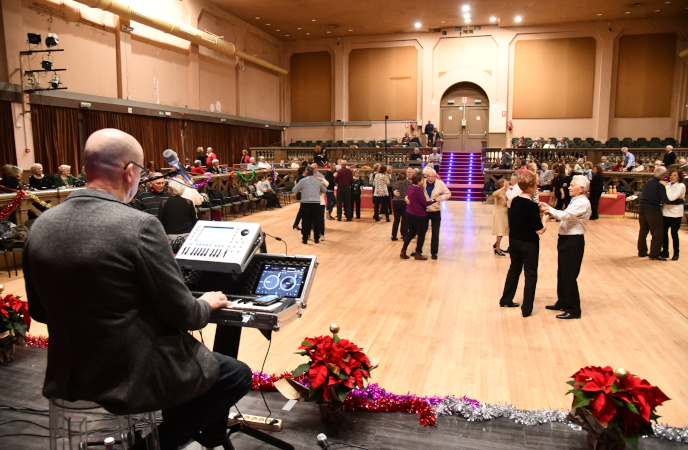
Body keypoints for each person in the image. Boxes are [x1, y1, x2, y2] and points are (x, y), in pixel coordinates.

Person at [23, 128, 252, 449]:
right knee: (236, 373)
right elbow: (185, 314)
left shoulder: (41, 225)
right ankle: (151, 445)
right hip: (130, 376)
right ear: (130, 171)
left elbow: (39, 311)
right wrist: (207, 302)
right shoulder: (139, 226)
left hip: (70, 373)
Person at [538, 175, 591, 319]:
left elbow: (566, 215)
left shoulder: (582, 202)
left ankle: (573, 309)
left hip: (573, 241)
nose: (569, 187)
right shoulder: (576, 200)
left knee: (569, 275)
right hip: (566, 239)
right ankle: (562, 301)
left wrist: (549, 208)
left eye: (572, 185)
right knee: (562, 273)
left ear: (581, 189)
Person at [498, 172, 550, 317]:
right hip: (529, 244)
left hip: (514, 241)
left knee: (514, 270)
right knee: (531, 274)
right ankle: (526, 308)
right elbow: (539, 230)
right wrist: (545, 219)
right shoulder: (532, 206)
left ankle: (506, 299)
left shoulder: (514, 201)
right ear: (532, 187)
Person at [400, 172, 445, 260]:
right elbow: (425, 203)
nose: (424, 181)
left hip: (409, 213)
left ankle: (403, 250)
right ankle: (418, 253)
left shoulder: (410, 187)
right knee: (421, 235)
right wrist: (435, 200)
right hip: (418, 215)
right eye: (423, 179)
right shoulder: (419, 190)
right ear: (419, 181)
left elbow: (409, 197)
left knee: (411, 233)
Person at [638, 166, 672, 260]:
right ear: (662, 175)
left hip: (642, 208)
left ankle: (642, 251)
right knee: (657, 231)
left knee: (643, 230)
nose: (666, 175)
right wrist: (680, 201)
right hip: (652, 209)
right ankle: (654, 253)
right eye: (665, 173)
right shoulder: (660, 184)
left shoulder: (649, 181)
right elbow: (666, 200)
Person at [293, 165, 327, 244]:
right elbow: (324, 190)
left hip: (305, 203)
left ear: (306, 172)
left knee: (305, 221)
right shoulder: (317, 181)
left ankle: (305, 239)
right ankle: (316, 239)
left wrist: (296, 185)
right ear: (313, 172)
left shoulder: (302, 181)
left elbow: (294, 190)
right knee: (316, 221)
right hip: (316, 203)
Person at [422, 167, 451, 260]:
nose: (430, 178)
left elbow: (448, 193)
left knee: (435, 233)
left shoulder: (440, 184)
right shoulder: (422, 183)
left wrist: (441, 198)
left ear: (435, 177)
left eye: (432, 176)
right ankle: (418, 250)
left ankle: (434, 252)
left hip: (435, 211)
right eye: (428, 176)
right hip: (424, 211)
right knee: (421, 232)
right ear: (426, 176)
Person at [660, 169, 686, 261]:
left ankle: (676, 253)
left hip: (675, 214)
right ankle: (665, 252)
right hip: (666, 212)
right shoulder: (669, 185)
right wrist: (680, 200)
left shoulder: (681, 185)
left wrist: (666, 186)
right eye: (671, 175)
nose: (672, 177)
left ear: (679, 177)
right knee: (664, 233)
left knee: (674, 234)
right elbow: (664, 198)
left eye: (675, 175)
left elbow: (671, 198)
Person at [391, 171, 411, 241]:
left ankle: (393, 235)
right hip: (404, 202)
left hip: (396, 202)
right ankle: (404, 236)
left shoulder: (395, 183)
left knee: (396, 220)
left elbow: (393, 190)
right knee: (404, 220)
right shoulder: (409, 183)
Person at [492, 178, 509, 256]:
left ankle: (496, 244)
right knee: (499, 231)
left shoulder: (507, 192)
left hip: (505, 213)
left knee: (503, 230)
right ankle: (497, 248)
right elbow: (494, 194)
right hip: (499, 213)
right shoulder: (499, 193)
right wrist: (503, 188)